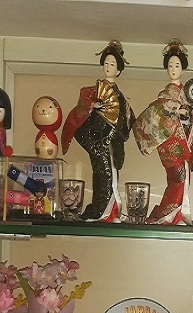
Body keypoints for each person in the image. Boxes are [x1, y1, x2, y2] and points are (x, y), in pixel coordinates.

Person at [133, 38, 193, 225]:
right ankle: (170, 215)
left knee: (185, 177)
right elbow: (159, 111)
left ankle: (178, 214)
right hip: (173, 141)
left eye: (177, 65)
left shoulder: (190, 92)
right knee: (179, 177)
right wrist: (176, 110)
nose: (173, 69)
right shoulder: (165, 95)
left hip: (187, 137)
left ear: (183, 68)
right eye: (170, 65)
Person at [62, 40, 136, 222]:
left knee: (113, 173)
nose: (108, 67)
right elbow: (82, 107)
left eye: (113, 64)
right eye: (106, 63)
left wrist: (125, 117)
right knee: (102, 173)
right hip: (98, 138)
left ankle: (113, 211)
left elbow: (127, 118)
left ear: (118, 71)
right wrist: (91, 105)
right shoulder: (94, 92)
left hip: (112, 139)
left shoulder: (119, 96)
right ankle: (101, 210)